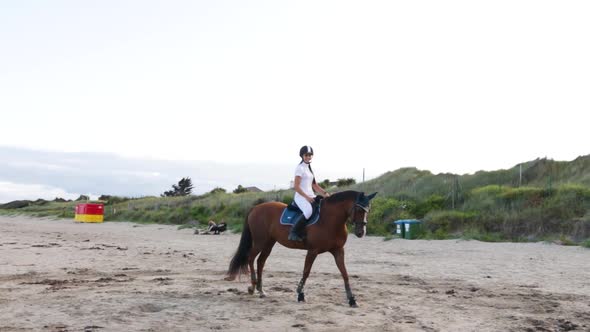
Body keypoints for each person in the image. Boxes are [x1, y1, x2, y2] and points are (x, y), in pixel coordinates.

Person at [288, 145, 331, 241]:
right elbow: (296, 186)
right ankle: (293, 232)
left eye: (310, 155)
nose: (308, 157)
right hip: (300, 196)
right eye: (306, 155)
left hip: (311, 195)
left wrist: (325, 193)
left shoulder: (309, 169)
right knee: (308, 211)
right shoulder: (300, 168)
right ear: (302, 156)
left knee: (322, 208)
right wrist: (306, 197)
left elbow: (315, 185)